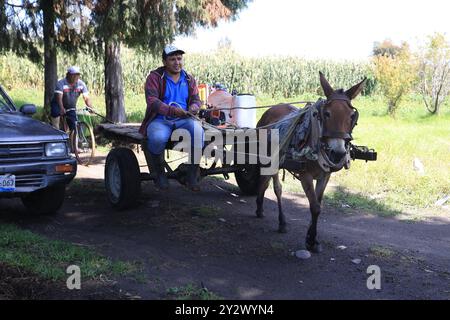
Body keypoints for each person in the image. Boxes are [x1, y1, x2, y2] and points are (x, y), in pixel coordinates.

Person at [139, 45, 204, 191]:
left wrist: (194, 107)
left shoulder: (189, 79)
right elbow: (152, 101)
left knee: (198, 132)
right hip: (160, 119)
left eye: (179, 58)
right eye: (172, 59)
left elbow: (196, 99)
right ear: (164, 61)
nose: (177, 62)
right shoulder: (155, 78)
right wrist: (173, 110)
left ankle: (192, 176)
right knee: (157, 138)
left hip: (184, 119)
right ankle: (159, 174)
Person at [50, 66, 93, 131]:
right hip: (58, 104)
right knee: (55, 114)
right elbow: (59, 98)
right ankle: (56, 133)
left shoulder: (81, 84)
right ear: (68, 75)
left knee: (74, 125)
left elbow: (86, 97)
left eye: (78, 75)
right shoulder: (61, 83)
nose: (76, 77)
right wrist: (61, 108)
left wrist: (90, 107)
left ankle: (73, 139)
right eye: (74, 75)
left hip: (70, 107)